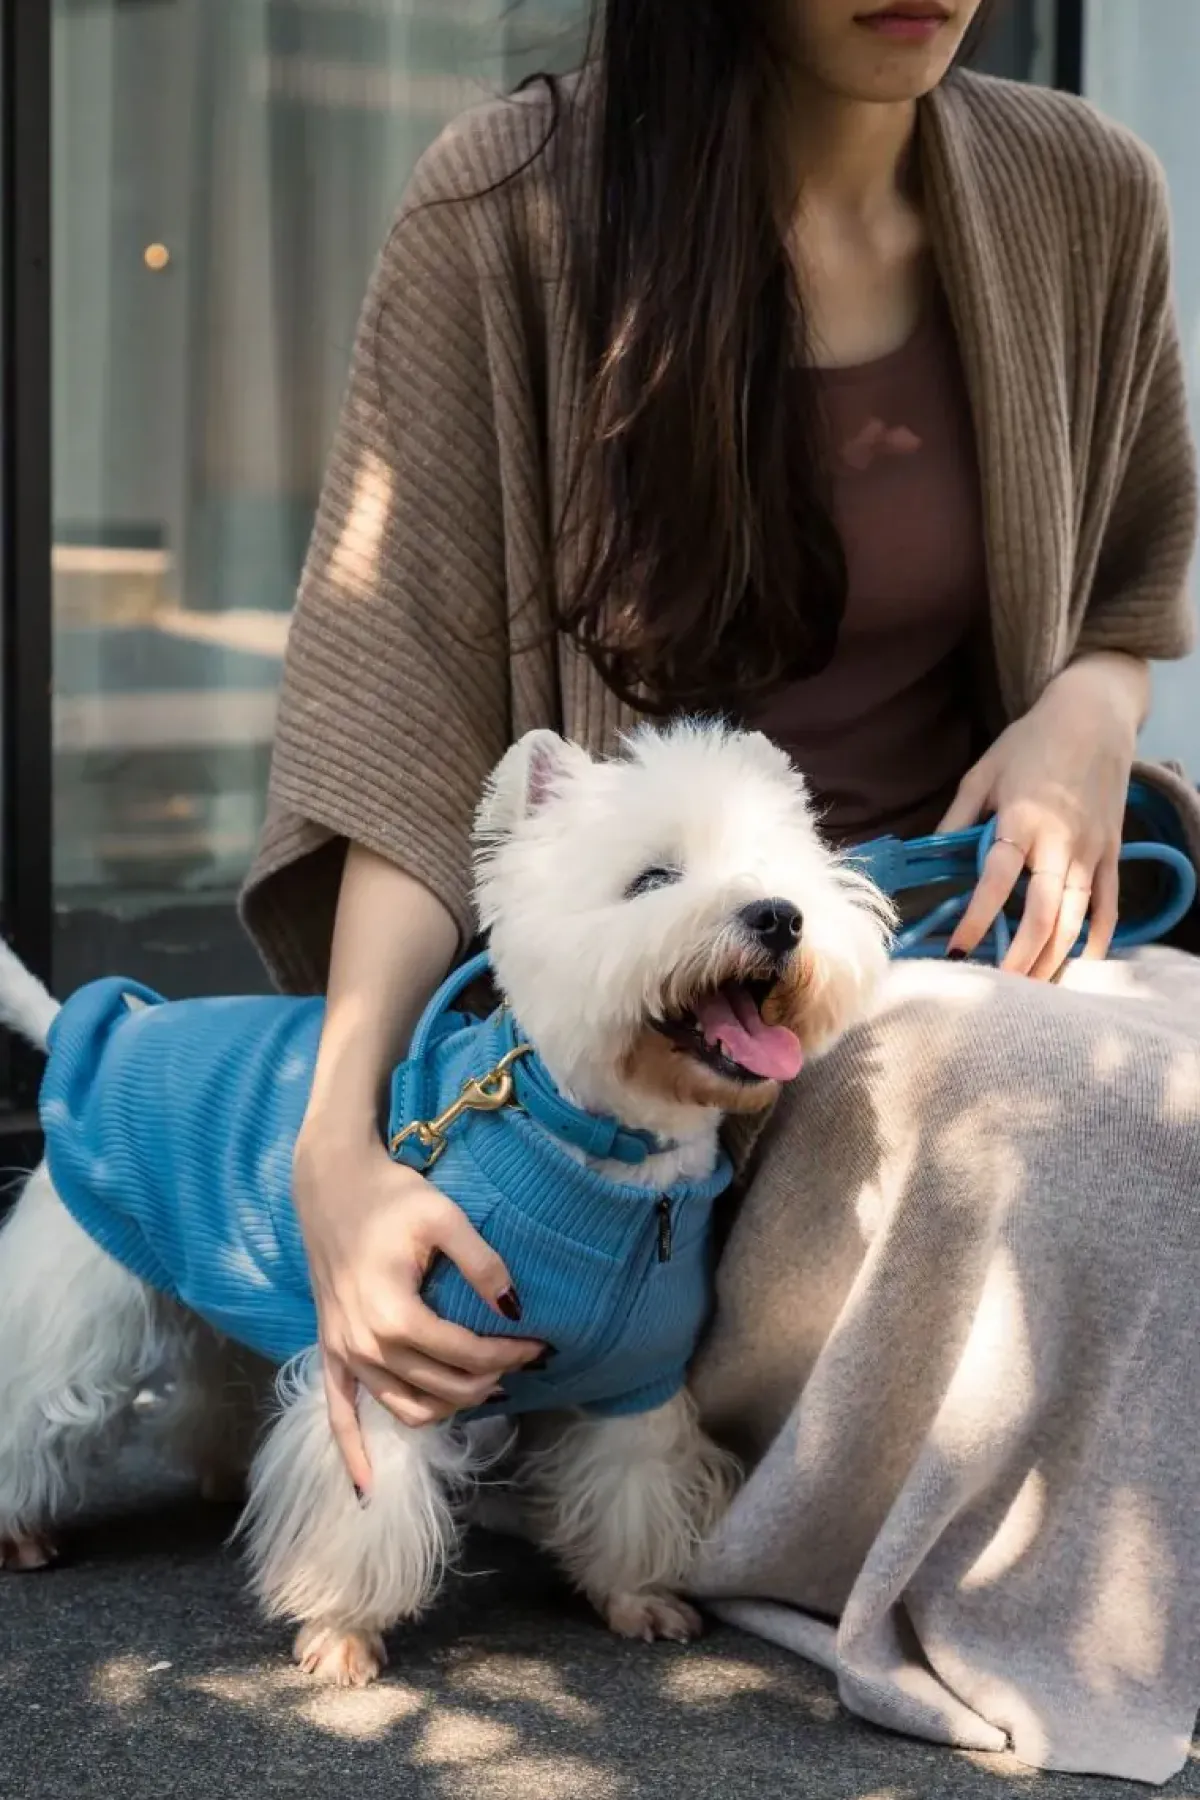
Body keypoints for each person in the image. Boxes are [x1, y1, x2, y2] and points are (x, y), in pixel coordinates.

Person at [241, 0, 1200, 1782]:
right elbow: (402, 739)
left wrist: (1088, 709)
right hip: (685, 1034)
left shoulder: (1087, 188)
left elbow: (1133, 583)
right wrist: (340, 1146)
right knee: (1093, 1116)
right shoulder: (506, 212)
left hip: (952, 916)